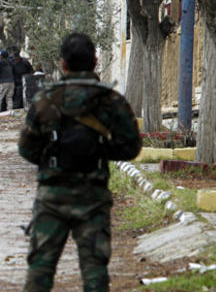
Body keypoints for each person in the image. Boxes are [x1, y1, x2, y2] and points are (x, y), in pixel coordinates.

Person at [19, 33, 142, 292]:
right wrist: (98, 151)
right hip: (93, 196)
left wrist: (53, 157)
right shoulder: (110, 100)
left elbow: (27, 149)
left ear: (63, 64)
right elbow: (131, 147)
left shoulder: (45, 99)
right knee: (94, 269)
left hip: (52, 196)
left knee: (40, 267)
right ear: (95, 61)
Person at [0, 49, 14, 114]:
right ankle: (10, 111)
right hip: (11, 82)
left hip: (2, 82)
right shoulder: (11, 62)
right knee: (9, 97)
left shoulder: (0, 62)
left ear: (2, 56)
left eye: (0, 55)